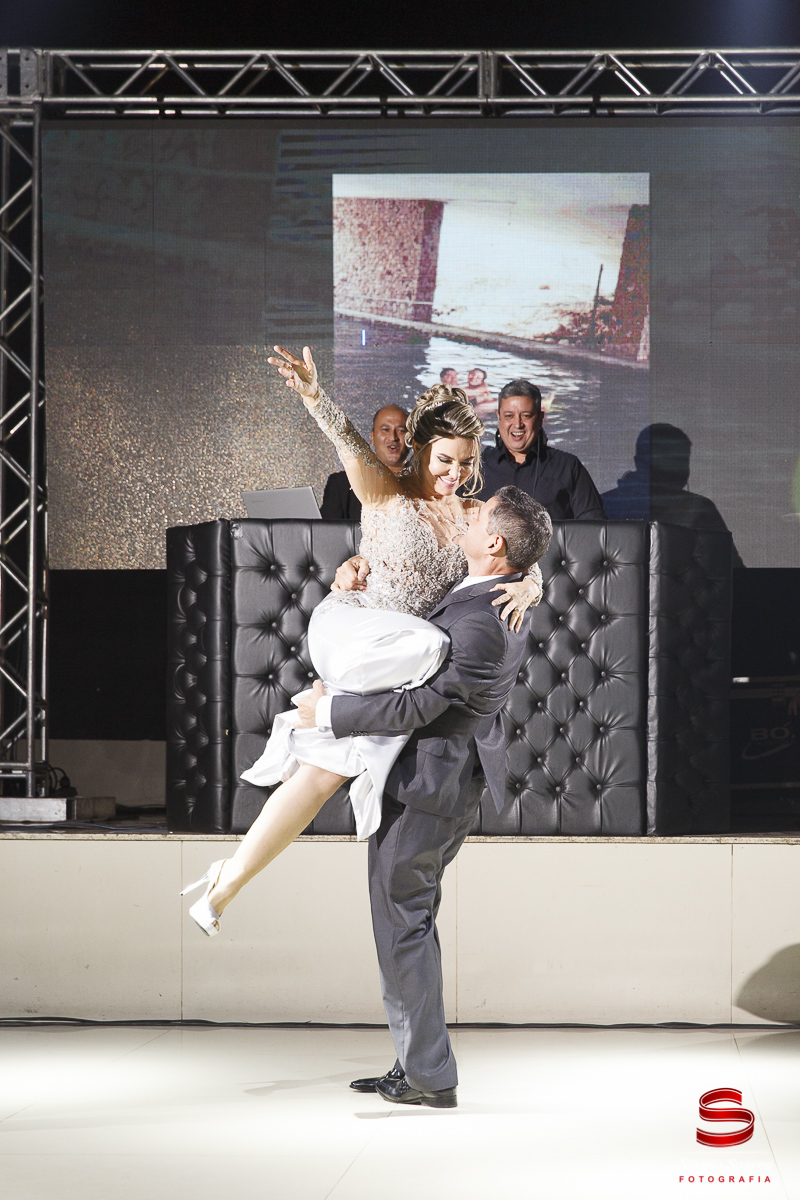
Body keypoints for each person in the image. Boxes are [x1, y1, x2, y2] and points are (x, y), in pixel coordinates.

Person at [180, 346, 544, 936]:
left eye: (465, 463)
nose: (454, 475)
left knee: (321, 773)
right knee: (417, 662)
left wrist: (532, 584)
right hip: (363, 632)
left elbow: (521, 548)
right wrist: (312, 393)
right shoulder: (384, 491)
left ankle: (226, 881)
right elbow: (345, 439)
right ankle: (325, 708)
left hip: (400, 665)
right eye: (444, 460)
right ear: (420, 448)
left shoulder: (475, 514)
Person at [306, 487, 552, 1109]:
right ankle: (418, 1061)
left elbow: (420, 706)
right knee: (410, 921)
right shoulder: (491, 593)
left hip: (431, 786)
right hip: (440, 783)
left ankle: (428, 1076)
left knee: (402, 924)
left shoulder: (485, 621)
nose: (467, 513)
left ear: (493, 542)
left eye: (479, 514)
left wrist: (329, 713)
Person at [601, 423, 745, 566]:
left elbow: (733, 570)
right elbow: (734, 572)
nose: (679, 468)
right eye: (673, 460)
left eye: (681, 461)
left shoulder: (603, 503)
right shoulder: (698, 508)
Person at [478, 378, 606, 520]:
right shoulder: (477, 468)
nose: (517, 424)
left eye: (526, 416)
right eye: (509, 416)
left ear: (540, 419)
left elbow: (593, 525)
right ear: (499, 419)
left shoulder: (567, 466)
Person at [320, 403, 409, 520]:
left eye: (401, 430)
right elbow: (326, 530)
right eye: (385, 430)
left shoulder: (423, 485)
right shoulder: (342, 484)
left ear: (411, 438)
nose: (393, 437)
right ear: (372, 437)